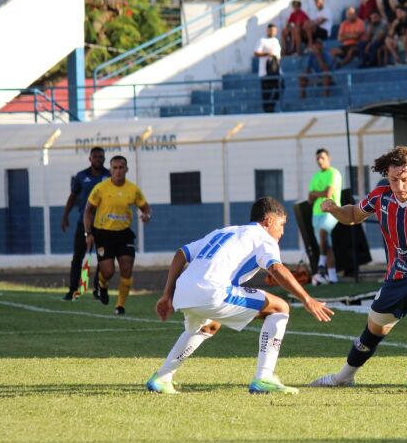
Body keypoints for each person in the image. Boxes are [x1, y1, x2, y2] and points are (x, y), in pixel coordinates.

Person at [310, 146, 407, 387]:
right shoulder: (380, 195)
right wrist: (335, 209)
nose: (400, 186)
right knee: (372, 333)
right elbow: (353, 214)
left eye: (404, 179)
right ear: (387, 175)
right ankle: (343, 378)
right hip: (397, 276)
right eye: (394, 179)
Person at [147, 197, 334, 394]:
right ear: (269, 221)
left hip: (184, 291)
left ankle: (162, 377)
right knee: (280, 308)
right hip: (212, 292)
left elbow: (181, 253)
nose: (282, 231)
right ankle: (264, 377)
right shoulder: (263, 237)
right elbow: (276, 269)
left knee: (208, 325)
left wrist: (167, 294)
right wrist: (307, 299)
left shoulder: (225, 231)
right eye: (282, 224)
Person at [84, 156, 151, 315]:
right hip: (103, 234)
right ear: (110, 169)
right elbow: (88, 211)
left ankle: (120, 306)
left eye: (121, 168)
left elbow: (146, 208)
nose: (118, 171)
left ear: (126, 169)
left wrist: (147, 215)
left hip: (124, 234)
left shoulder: (133, 189)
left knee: (126, 269)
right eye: (115, 168)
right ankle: (102, 284)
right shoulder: (101, 188)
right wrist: (88, 233)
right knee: (108, 272)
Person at [60, 147, 110, 301]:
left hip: (104, 225)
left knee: (103, 258)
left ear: (104, 159)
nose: (98, 160)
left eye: (101, 157)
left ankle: (97, 289)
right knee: (77, 257)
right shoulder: (81, 176)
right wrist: (65, 215)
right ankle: (73, 290)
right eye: (95, 157)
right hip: (84, 224)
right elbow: (73, 196)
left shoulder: (109, 176)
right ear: (90, 159)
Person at [308, 148, 343, 285]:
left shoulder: (334, 173)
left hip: (332, 211)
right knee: (326, 245)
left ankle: (321, 265)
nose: (320, 161)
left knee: (323, 232)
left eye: (322, 158)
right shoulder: (315, 176)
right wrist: (318, 193)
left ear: (329, 158)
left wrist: (315, 192)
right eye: (317, 158)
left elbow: (328, 193)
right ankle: (333, 277)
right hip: (316, 214)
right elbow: (309, 199)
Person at [253, 24, 282, 113]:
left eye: (274, 30)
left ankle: (271, 107)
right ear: (267, 30)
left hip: (276, 70)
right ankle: (267, 110)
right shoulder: (262, 40)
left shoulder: (276, 41)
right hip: (265, 72)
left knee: (280, 89)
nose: (272, 32)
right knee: (266, 93)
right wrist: (267, 54)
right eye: (271, 30)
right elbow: (256, 53)